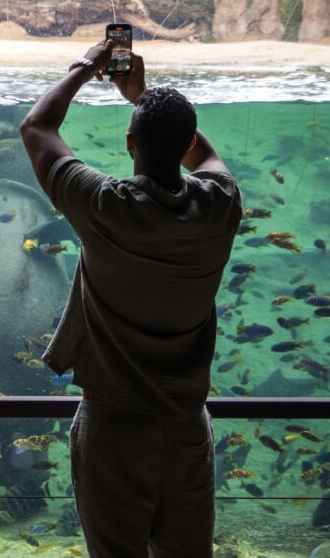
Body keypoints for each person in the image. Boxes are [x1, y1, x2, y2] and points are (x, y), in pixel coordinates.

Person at [19, 42, 242, 557]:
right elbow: (205, 157)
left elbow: (37, 128)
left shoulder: (105, 206)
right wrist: (141, 94)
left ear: (129, 144)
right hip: (187, 426)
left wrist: (86, 66)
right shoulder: (220, 203)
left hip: (113, 427)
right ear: (185, 140)